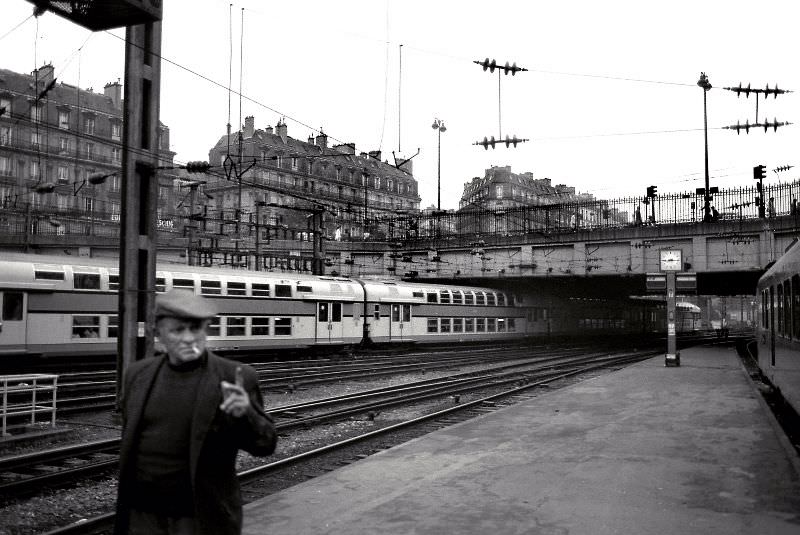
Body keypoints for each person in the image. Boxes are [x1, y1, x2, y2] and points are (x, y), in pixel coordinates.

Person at [114, 289, 277, 535]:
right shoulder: (138, 375)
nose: (189, 338)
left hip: (199, 517)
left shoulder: (234, 376)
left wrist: (246, 413)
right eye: (178, 330)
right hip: (142, 514)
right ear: (158, 333)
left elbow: (266, 444)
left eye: (196, 329)